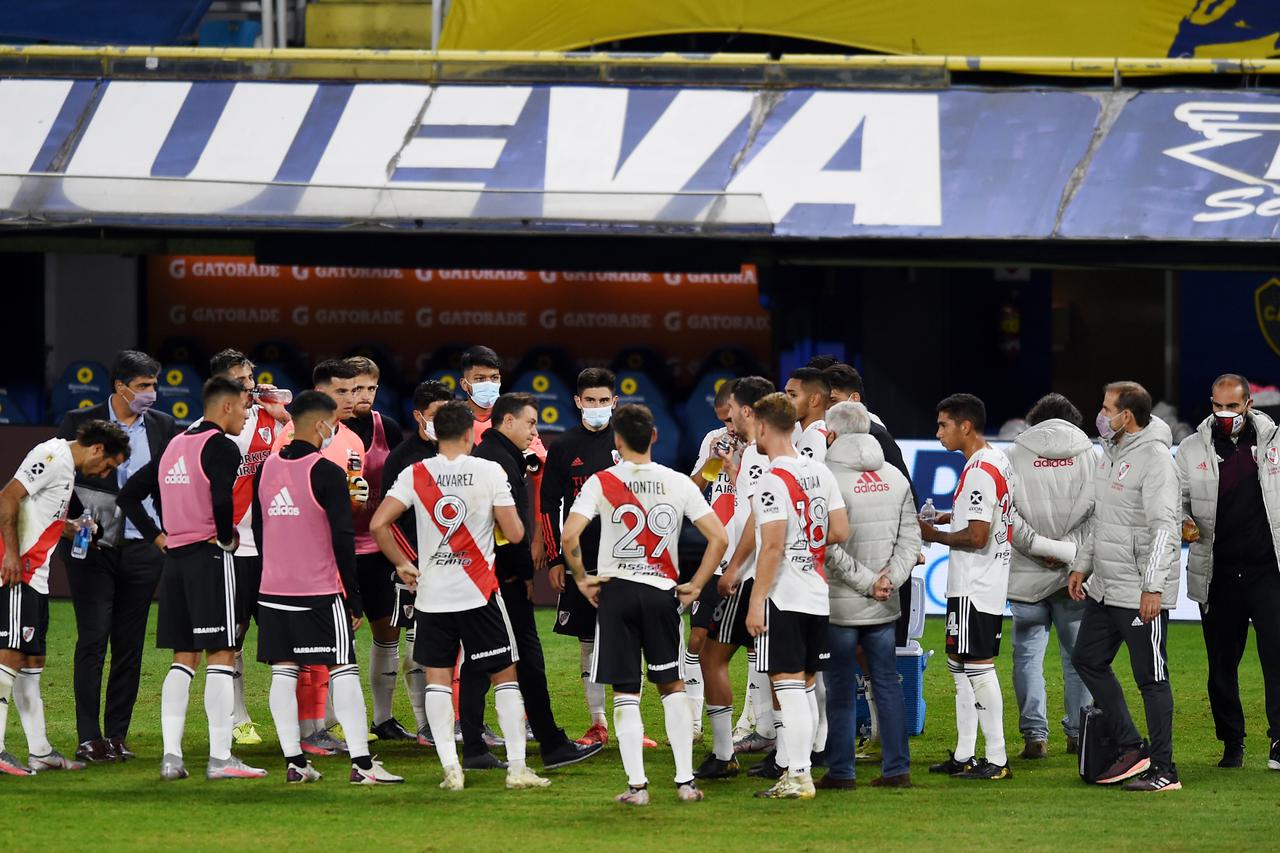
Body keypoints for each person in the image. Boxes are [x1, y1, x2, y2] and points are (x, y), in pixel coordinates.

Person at [370, 400, 550, 792]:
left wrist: (402, 563)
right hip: (480, 592)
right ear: (471, 433)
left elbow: (379, 523)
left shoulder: (416, 473)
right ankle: (518, 769)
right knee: (505, 677)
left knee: (436, 680)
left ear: (437, 434)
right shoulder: (489, 471)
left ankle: (451, 769)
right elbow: (516, 534)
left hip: (433, 595)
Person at [561, 403, 729, 805]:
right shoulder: (678, 483)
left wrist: (583, 579)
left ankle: (637, 787)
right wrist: (697, 584)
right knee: (671, 686)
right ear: (654, 436)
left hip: (616, 593)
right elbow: (719, 538)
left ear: (617, 440)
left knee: (626, 693)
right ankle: (685, 782)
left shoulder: (602, 481)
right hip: (661, 593)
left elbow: (569, 536)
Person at [252, 390, 402, 785]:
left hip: (273, 589)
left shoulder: (266, 469)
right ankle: (364, 766)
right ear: (320, 425)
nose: (335, 430)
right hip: (319, 589)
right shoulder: (327, 473)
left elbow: (257, 527)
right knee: (344, 670)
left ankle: (295, 763)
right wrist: (353, 597)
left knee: (283, 672)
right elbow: (342, 541)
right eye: (333, 423)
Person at [55, 349, 179, 763]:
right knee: (93, 639)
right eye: (144, 386)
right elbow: (60, 479)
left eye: (154, 385)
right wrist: (75, 521)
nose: (152, 393)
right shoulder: (78, 422)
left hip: (143, 548)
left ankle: (117, 736)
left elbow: (165, 484)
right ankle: (88, 736)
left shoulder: (163, 425)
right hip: (91, 546)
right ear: (120, 387)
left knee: (129, 645)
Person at [469, 393, 604, 771]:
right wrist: (520, 573)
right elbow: (503, 531)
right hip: (501, 578)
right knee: (519, 657)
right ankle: (547, 744)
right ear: (507, 422)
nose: (535, 432)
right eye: (530, 423)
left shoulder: (494, 456)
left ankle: (480, 746)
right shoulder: (498, 462)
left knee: (485, 658)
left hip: (486, 576)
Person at [1069, 381, 1181, 792]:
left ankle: (1166, 771)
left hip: (1138, 592)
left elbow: (1165, 529)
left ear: (1126, 416)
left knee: (1151, 678)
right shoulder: (1111, 453)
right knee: (1087, 658)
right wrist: (1082, 565)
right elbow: (1103, 521)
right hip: (1106, 586)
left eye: (1105, 408)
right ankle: (1133, 746)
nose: (1100, 414)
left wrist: (1152, 587)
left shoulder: (1155, 459)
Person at [0, 420, 130, 776]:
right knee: (9, 656)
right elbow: (8, 497)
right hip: (19, 571)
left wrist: (71, 528)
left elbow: (42, 511)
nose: (105, 474)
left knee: (32, 661)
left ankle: (40, 750)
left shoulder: (67, 469)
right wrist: (10, 555)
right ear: (98, 449)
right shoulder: (51, 455)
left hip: (37, 577)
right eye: (108, 465)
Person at [153, 376, 266, 781]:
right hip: (209, 557)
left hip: (176, 560)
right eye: (243, 407)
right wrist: (224, 535)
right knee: (221, 654)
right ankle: (221, 758)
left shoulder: (175, 445)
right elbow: (223, 496)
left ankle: (171, 757)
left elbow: (132, 494)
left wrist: (161, 535)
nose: (247, 414)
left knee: (182, 659)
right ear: (226, 407)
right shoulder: (221, 446)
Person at [745, 392, 849, 800]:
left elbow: (770, 547)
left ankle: (799, 775)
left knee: (787, 689)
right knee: (804, 689)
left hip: (783, 597)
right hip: (816, 593)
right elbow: (840, 530)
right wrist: (810, 545)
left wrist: (756, 601)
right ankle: (797, 771)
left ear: (765, 427)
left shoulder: (771, 480)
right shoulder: (820, 472)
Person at [1179, 374, 1280, 770]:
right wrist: (1183, 522)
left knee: (1276, 657)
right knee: (1222, 662)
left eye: (1232, 407)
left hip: (1267, 570)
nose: (1224, 414)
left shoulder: (1274, 444)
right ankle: (1232, 742)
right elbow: (1175, 502)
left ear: (1249, 404)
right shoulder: (1190, 449)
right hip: (1218, 573)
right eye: (1218, 406)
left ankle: (1278, 741)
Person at [820, 401, 920, 790]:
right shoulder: (894, 475)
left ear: (831, 434)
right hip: (884, 603)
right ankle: (897, 769)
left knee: (841, 687)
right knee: (888, 685)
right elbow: (911, 537)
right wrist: (888, 580)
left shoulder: (825, 477)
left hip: (841, 604)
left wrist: (865, 582)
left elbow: (825, 546)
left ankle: (842, 771)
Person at [272, 359, 367, 756]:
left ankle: (315, 729)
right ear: (319, 394)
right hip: (299, 559)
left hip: (334, 550)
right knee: (309, 652)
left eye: (354, 391)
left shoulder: (354, 442)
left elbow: (351, 505)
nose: (350, 399)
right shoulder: (286, 441)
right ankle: (309, 731)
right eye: (340, 392)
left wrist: (355, 503)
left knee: (326, 650)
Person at [920, 393, 1016, 781]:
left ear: (966, 426)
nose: (938, 432)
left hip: (976, 583)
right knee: (960, 667)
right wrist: (947, 515)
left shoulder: (979, 470)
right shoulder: (994, 461)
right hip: (979, 583)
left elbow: (977, 537)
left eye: (943, 424)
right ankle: (964, 755)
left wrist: (933, 533)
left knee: (977, 667)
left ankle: (997, 759)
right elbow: (985, 518)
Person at [207, 348, 290, 747]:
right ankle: (238, 718)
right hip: (236, 548)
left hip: (279, 545)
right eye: (240, 381)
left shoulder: (270, 419)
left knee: (289, 636)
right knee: (234, 637)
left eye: (250, 378)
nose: (250, 387)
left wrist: (285, 415)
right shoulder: (209, 430)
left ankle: (310, 722)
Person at [1006, 393, 1096, 759]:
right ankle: (1078, 733)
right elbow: (1097, 515)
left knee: (1026, 657)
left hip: (1027, 571)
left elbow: (1006, 513)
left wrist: (1040, 548)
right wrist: (1067, 552)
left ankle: (1034, 737)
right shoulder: (1092, 456)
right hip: (1073, 575)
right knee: (1078, 659)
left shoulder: (1013, 454)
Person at [697, 376, 778, 782]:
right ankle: (790, 751)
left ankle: (734, 753)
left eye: (731, 411)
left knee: (723, 659)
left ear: (746, 410)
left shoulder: (759, 459)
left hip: (753, 575)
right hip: (773, 573)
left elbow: (753, 522)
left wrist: (731, 569)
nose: (727, 420)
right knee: (783, 668)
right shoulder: (778, 454)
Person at [542, 367, 626, 746]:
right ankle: (598, 722)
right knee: (587, 641)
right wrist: (555, 558)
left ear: (615, 402)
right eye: (589, 401)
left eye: (603, 401)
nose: (597, 407)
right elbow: (548, 505)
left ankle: (628, 722)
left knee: (626, 637)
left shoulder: (627, 441)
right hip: (582, 557)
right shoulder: (561, 446)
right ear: (577, 401)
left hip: (624, 556)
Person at [344, 356, 415, 743]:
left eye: (371, 387)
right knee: (340, 637)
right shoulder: (329, 430)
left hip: (379, 548)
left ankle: (382, 719)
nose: (364, 395)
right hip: (340, 549)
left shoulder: (386, 427)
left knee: (387, 634)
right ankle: (335, 722)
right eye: (355, 388)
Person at [381, 379, 453, 743]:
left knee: (452, 648)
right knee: (416, 646)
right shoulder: (402, 459)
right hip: (415, 568)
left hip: (454, 568)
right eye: (434, 415)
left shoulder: (458, 456)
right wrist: (407, 564)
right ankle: (426, 725)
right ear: (418, 416)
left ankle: (452, 720)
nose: (441, 422)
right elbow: (387, 520)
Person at [686, 378, 740, 739]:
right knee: (698, 638)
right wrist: (710, 466)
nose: (728, 427)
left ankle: (754, 722)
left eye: (731, 419)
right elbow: (692, 491)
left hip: (748, 558)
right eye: (722, 420)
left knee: (754, 648)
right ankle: (692, 722)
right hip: (715, 554)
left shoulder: (765, 445)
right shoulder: (712, 440)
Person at [786, 367, 830, 463]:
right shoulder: (819, 432)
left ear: (814, 399)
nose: (785, 401)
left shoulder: (813, 437)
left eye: (793, 395)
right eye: (786, 394)